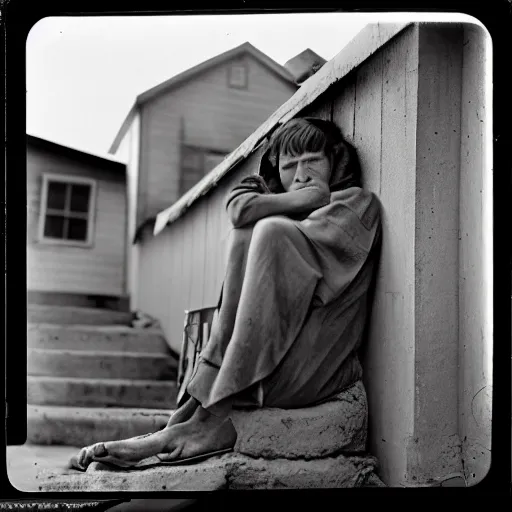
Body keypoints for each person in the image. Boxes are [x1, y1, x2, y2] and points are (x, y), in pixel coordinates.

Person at [70, 117, 382, 471]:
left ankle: (209, 419)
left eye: (313, 161)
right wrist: (300, 198)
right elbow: (240, 211)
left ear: (336, 161)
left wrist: (302, 201)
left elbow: (294, 266)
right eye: (290, 165)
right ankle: (199, 412)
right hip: (268, 365)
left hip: (317, 369)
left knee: (271, 233)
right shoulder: (283, 203)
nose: (302, 173)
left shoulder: (356, 204)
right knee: (244, 235)